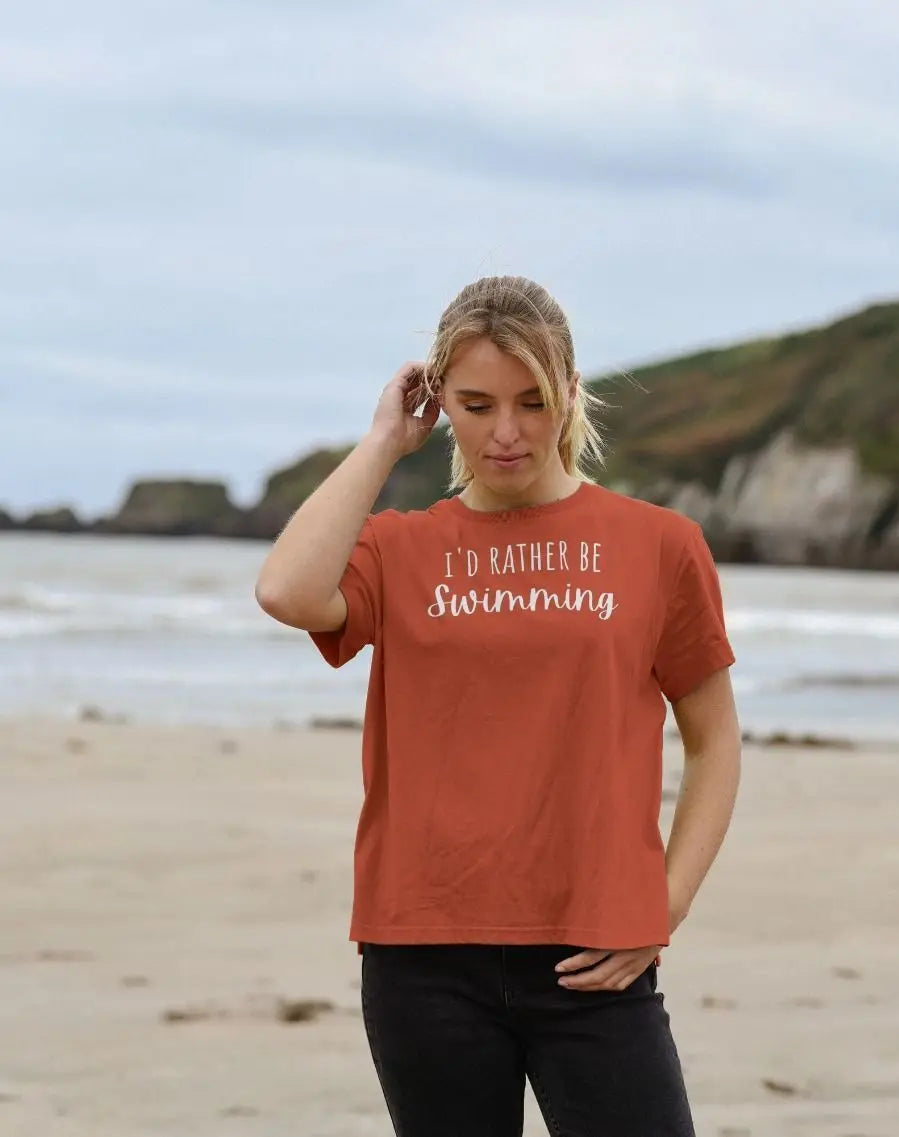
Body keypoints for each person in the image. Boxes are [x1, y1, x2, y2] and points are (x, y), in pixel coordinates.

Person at [255, 275, 742, 1137]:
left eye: (532, 401)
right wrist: (384, 441)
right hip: (423, 957)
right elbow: (287, 590)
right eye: (477, 405)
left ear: (571, 394)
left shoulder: (660, 546)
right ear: (440, 400)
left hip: (595, 953)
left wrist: (664, 905)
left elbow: (715, 742)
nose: (506, 432)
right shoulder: (398, 548)